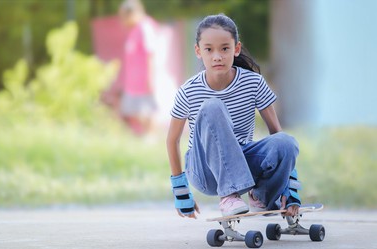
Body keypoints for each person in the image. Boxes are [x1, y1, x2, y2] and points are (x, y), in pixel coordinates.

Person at [166, 14, 302, 219]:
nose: (217, 56)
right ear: (198, 51)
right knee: (212, 107)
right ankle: (229, 195)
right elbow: (172, 140)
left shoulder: (254, 83)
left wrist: (289, 189)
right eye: (209, 49)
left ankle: (261, 195)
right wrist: (181, 193)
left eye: (225, 48)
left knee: (287, 142)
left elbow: (277, 135)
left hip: (243, 165)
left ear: (236, 49)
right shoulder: (188, 91)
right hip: (204, 171)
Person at [118, 0, 157, 136]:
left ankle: (150, 136)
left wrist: (150, 76)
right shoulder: (134, 29)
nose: (122, 20)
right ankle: (143, 135)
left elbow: (150, 53)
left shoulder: (145, 26)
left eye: (124, 16)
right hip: (133, 80)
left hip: (144, 77)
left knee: (146, 109)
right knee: (131, 110)